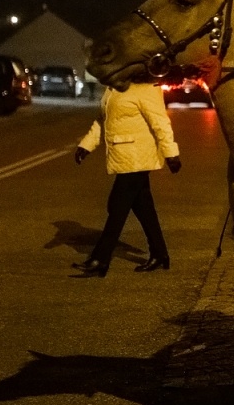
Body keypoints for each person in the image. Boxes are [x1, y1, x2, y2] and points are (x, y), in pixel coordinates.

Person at [71, 76, 182, 277]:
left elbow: (160, 122)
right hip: (122, 155)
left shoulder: (145, 87)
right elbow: (102, 119)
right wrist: (86, 145)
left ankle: (100, 259)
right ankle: (160, 253)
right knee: (143, 206)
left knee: (117, 207)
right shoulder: (113, 88)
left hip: (138, 156)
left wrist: (171, 153)